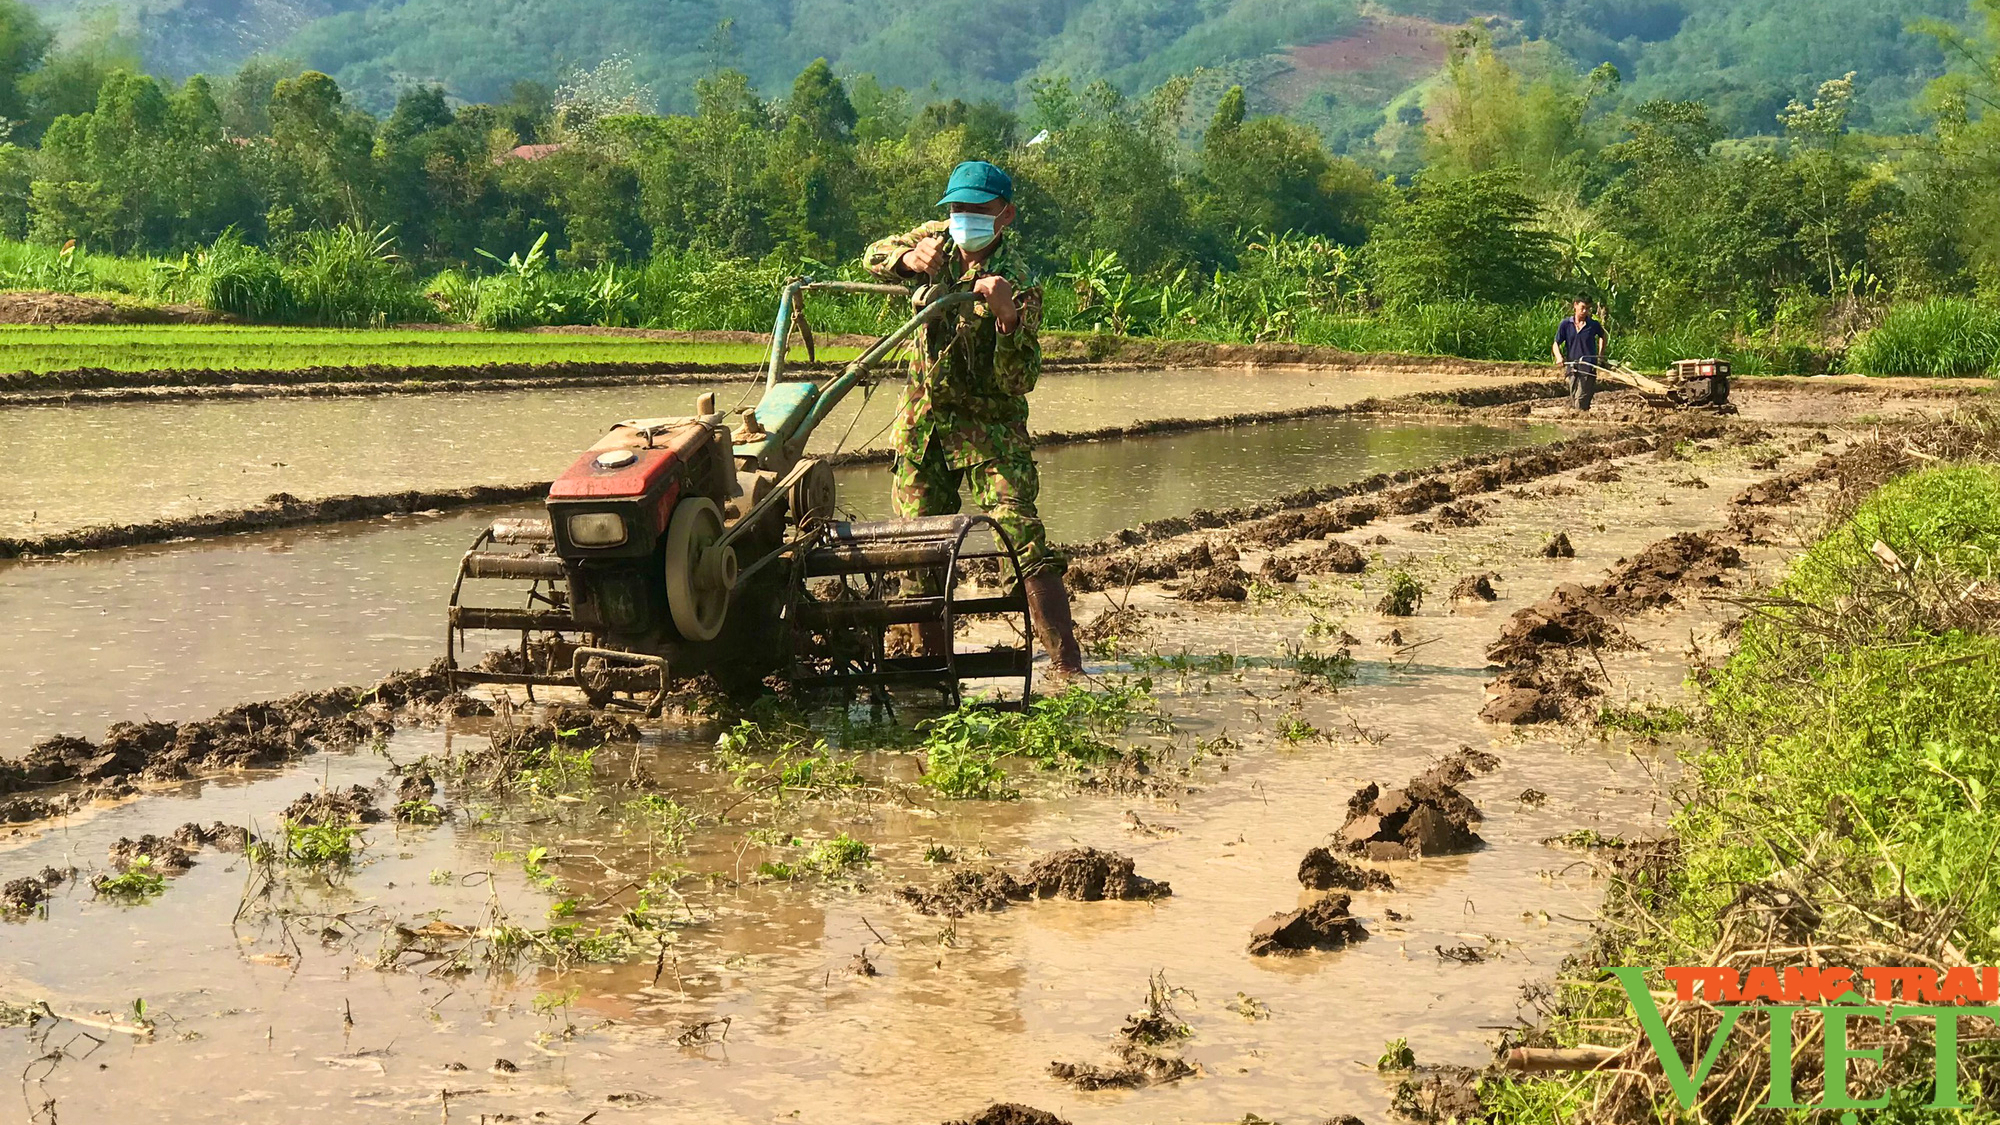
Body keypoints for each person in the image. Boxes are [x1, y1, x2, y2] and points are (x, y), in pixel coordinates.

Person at [862, 159, 1084, 677]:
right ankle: (927, 667)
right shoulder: (935, 240)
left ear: (1003, 216)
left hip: (989, 431)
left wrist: (1007, 318)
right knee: (916, 546)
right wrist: (908, 259)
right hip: (924, 427)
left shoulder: (1021, 279)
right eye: (957, 208)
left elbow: (1019, 378)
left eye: (976, 210)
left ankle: (1067, 664)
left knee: (1021, 532)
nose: (963, 219)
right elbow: (872, 254)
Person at [1552, 297, 1608, 411]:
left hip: (1588, 366)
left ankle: (1580, 423)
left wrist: (1600, 354)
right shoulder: (1566, 324)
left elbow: (1603, 336)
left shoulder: (1593, 325)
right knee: (1574, 398)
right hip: (1572, 366)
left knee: (1580, 400)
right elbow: (1556, 343)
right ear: (1575, 305)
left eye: (1587, 309)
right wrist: (1559, 357)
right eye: (1582, 308)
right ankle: (1583, 421)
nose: (1584, 311)